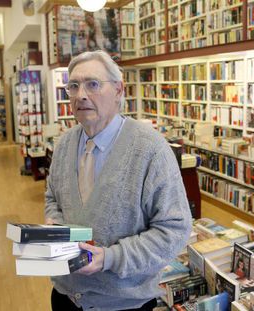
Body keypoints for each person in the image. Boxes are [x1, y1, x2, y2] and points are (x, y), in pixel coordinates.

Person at [45, 50, 192, 311]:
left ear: (118, 90)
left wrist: (110, 258)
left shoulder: (151, 149)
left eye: (92, 84)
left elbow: (174, 230)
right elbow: (52, 198)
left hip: (123, 303)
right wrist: (54, 224)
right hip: (65, 294)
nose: (81, 95)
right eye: (74, 86)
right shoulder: (64, 144)